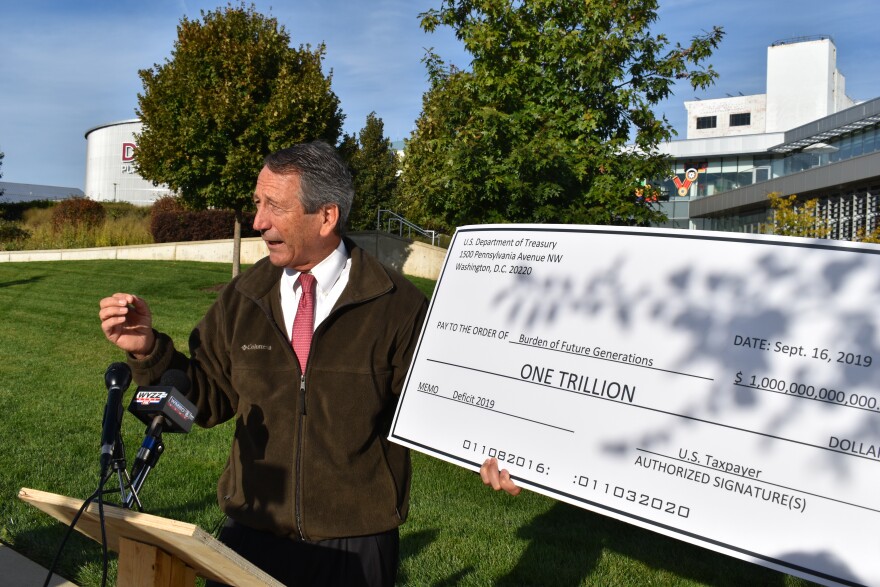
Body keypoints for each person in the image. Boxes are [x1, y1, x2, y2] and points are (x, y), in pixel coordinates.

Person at [99, 141, 428, 586]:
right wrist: (147, 349)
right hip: (250, 531)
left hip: (356, 541)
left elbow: (434, 409)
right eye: (258, 203)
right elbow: (208, 397)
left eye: (274, 205)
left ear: (326, 216)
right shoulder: (243, 297)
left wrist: (494, 450)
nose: (259, 222)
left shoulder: (397, 304)